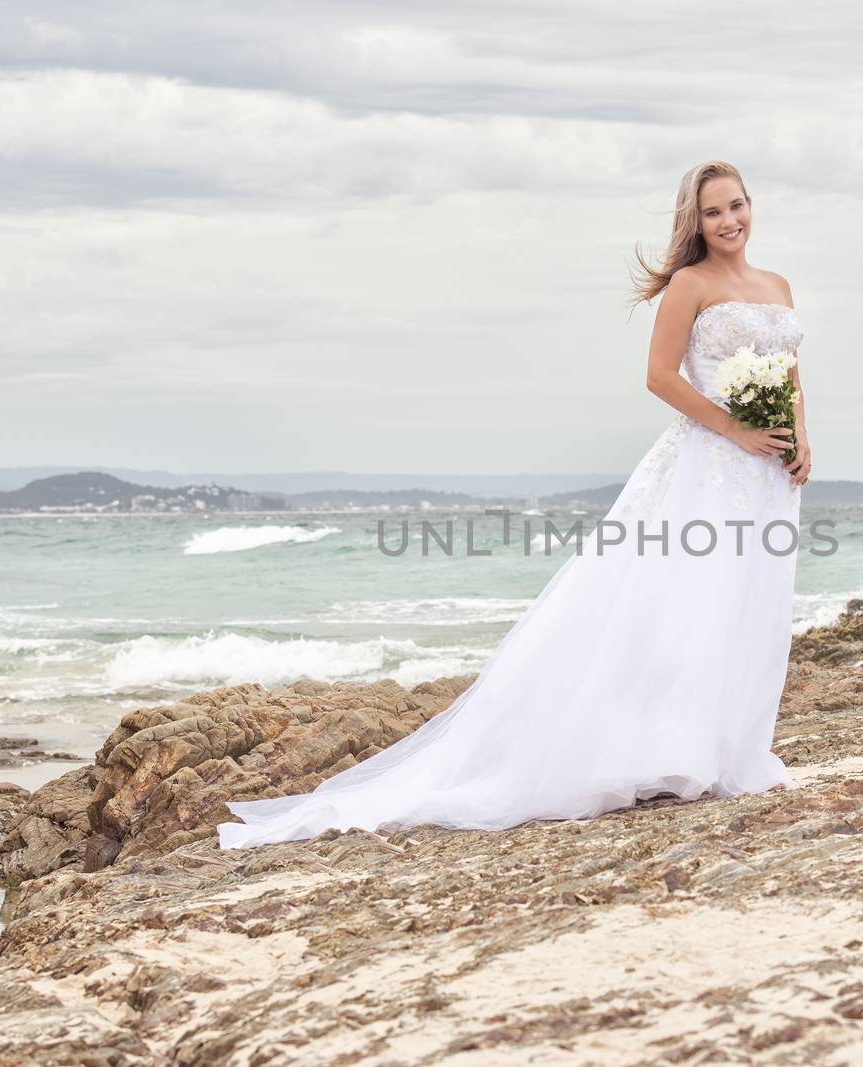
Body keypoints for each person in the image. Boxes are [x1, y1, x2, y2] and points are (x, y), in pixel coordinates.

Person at [216, 159, 813, 848]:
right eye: (713, 212)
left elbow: (793, 376)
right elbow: (657, 376)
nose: (730, 220)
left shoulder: (778, 285)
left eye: (737, 205)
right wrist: (734, 428)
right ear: (695, 221)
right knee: (688, 603)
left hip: (770, 473)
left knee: (751, 602)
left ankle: (732, 750)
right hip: (709, 466)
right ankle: (674, 753)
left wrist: (801, 442)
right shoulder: (691, 284)